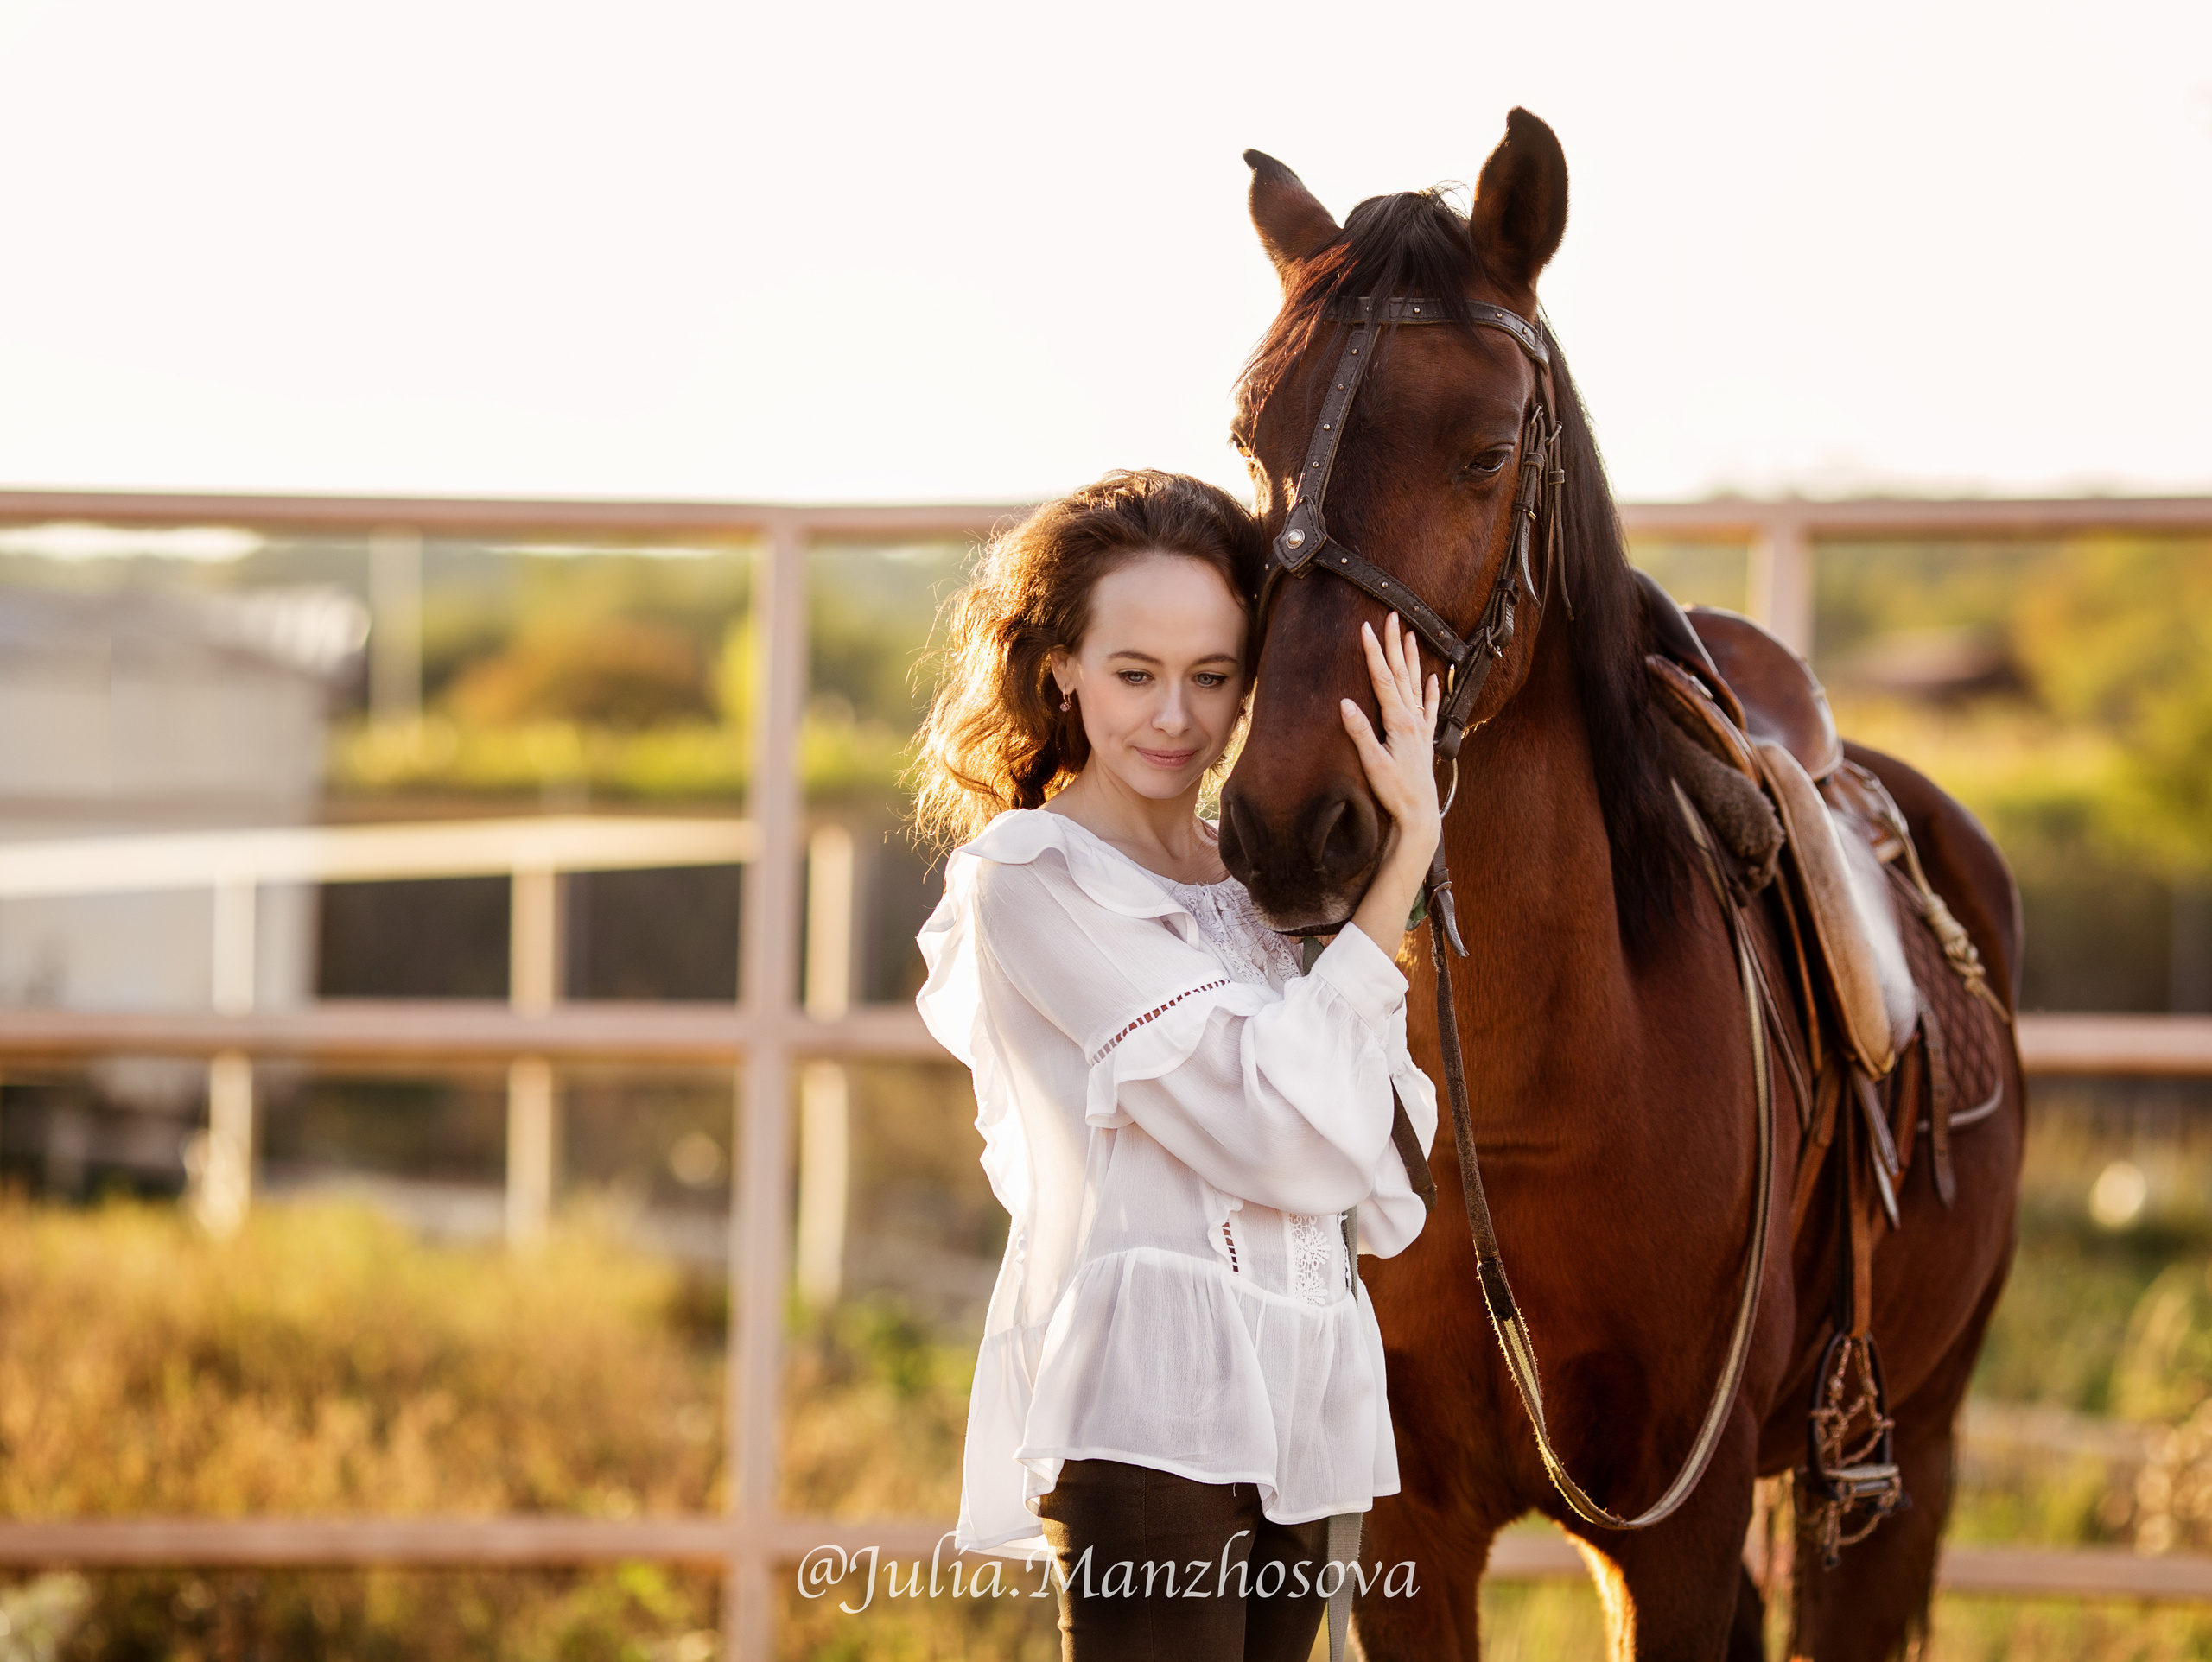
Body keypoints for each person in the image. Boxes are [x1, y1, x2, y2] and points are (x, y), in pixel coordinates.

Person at [911, 469, 1441, 1660]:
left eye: (1212, 678)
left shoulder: (1263, 892)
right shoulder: (1037, 878)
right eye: (1134, 674)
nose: (1175, 720)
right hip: (1152, 1417)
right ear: (1062, 668)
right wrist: (1402, 867)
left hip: (1311, 1402)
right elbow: (1284, 1137)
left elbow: (1385, 1170)